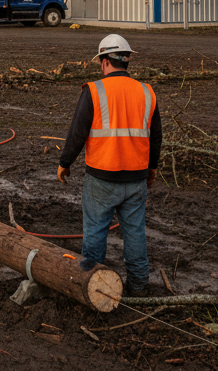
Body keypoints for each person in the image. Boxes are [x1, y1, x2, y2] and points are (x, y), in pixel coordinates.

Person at [56, 34, 162, 296]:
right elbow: (155, 135)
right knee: (135, 233)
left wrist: (64, 162)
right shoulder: (147, 92)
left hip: (102, 179)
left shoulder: (93, 90)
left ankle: (95, 286)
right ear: (126, 60)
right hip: (136, 179)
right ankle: (138, 285)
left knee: (94, 234)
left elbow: (77, 132)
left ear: (104, 62)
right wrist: (152, 168)